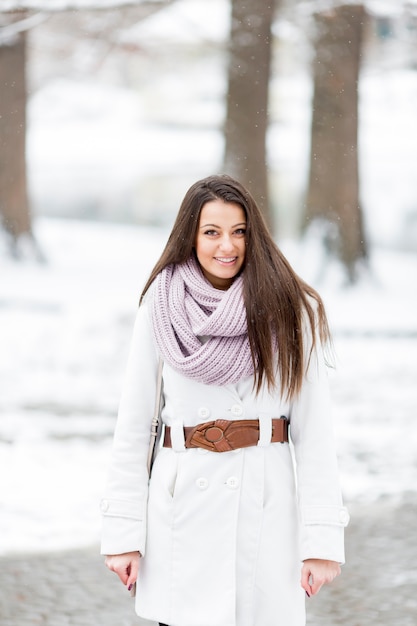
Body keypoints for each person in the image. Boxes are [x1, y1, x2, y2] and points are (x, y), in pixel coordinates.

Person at [101, 174, 349, 626]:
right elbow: (134, 425)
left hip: (264, 512)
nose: (226, 246)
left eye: (238, 231)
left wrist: (321, 543)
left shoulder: (293, 309)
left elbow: (315, 436)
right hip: (180, 515)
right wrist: (123, 534)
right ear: (190, 236)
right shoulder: (160, 304)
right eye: (211, 232)